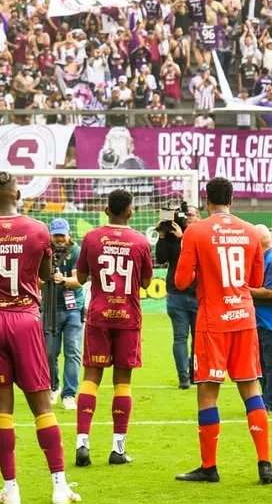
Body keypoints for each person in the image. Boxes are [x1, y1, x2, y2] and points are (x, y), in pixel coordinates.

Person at [0, 171, 80, 504]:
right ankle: (59, 485)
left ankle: (11, 489)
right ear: (17, 193)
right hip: (25, 319)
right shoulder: (37, 230)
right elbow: (45, 276)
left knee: (2, 408)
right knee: (42, 405)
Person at [174, 177, 272, 484]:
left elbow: (179, 282)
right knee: (252, 390)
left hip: (213, 321)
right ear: (232, 200)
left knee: (207, 393)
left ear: (206, 200)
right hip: (243, 317)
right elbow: (254, 279)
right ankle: (265, 464)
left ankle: (209, 466)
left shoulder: (196, 231)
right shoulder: (250, 231)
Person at [75, 189, 153, 467]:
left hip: (99, 314)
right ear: (130, 212)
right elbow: (145, 284)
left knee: (91, 378)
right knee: (122, 382)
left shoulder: (92, 238)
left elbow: (81, 276)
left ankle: (82, 443)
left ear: (106, 210)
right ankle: (117, 449)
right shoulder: (141, 241)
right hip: (127, 317)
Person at [155, 204, 202, 388]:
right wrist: (162, 235)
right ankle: (183, 377)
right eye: (186, 215)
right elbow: (160, 259)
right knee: (180, 337)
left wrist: (183, 240)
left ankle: (196, 373)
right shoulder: (173, 235)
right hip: (177, 294)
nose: (188, 217)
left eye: (192, 214)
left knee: (199, 339)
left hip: (198, 293)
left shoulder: (201, 235)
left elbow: (199, 259)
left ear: (199, 217)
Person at [42, 218, 83, 409]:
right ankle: (53, 387)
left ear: (68, 234)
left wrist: (62, 279)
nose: (59, 239)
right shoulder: (43, 252)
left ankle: (69, 394)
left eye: (62, 235)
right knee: (49, 352)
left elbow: (79, 280)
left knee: (73, 351)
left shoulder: (75, 251)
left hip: (73, 308)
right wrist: (45, 279)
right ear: (50, 234)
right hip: (49, 307)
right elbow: (35, 281)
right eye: (56, 235)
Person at [252, 225, 272, 412]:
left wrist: (244, 290)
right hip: (261, 320)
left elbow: (270, 292)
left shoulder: (271, 259)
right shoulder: (264, 258)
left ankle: (268, 402)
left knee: (268, 364)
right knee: (262, 364)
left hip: (268, 321)